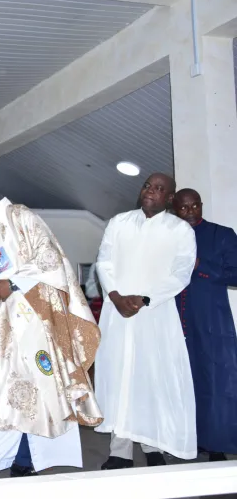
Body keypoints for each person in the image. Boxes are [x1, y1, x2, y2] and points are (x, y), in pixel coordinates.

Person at [0, 189, 102, 479]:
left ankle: (25, 462)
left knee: (40, 395)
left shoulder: (17, 216)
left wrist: (13, 282)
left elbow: (50, 257)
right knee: (3, 395)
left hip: (37, 325)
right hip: (4, 334)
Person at [94, 173, 197, 468]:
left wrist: (144, 299)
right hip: (118, 314)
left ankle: (153, 445)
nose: (150, 191)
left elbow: (181, 273)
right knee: (119, 377)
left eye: (159, 189)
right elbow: (104, 261)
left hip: (155, 315)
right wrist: (115, 297)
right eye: (147, 186)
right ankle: (120, 451)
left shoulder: (180, 231)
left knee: (151, 378)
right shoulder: (119, 222)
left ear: (170, 198)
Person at [173, 188, 237, 461]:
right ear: (174, 209)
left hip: (212, 319)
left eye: (194, 206)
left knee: (217, 382)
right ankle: (190, 440)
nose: (190, 212)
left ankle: (217, 444)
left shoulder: (221, 234)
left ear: (201, 205)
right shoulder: (169, 237)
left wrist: (202, 265)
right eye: (183, 208)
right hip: (174, 320)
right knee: (183, 382)